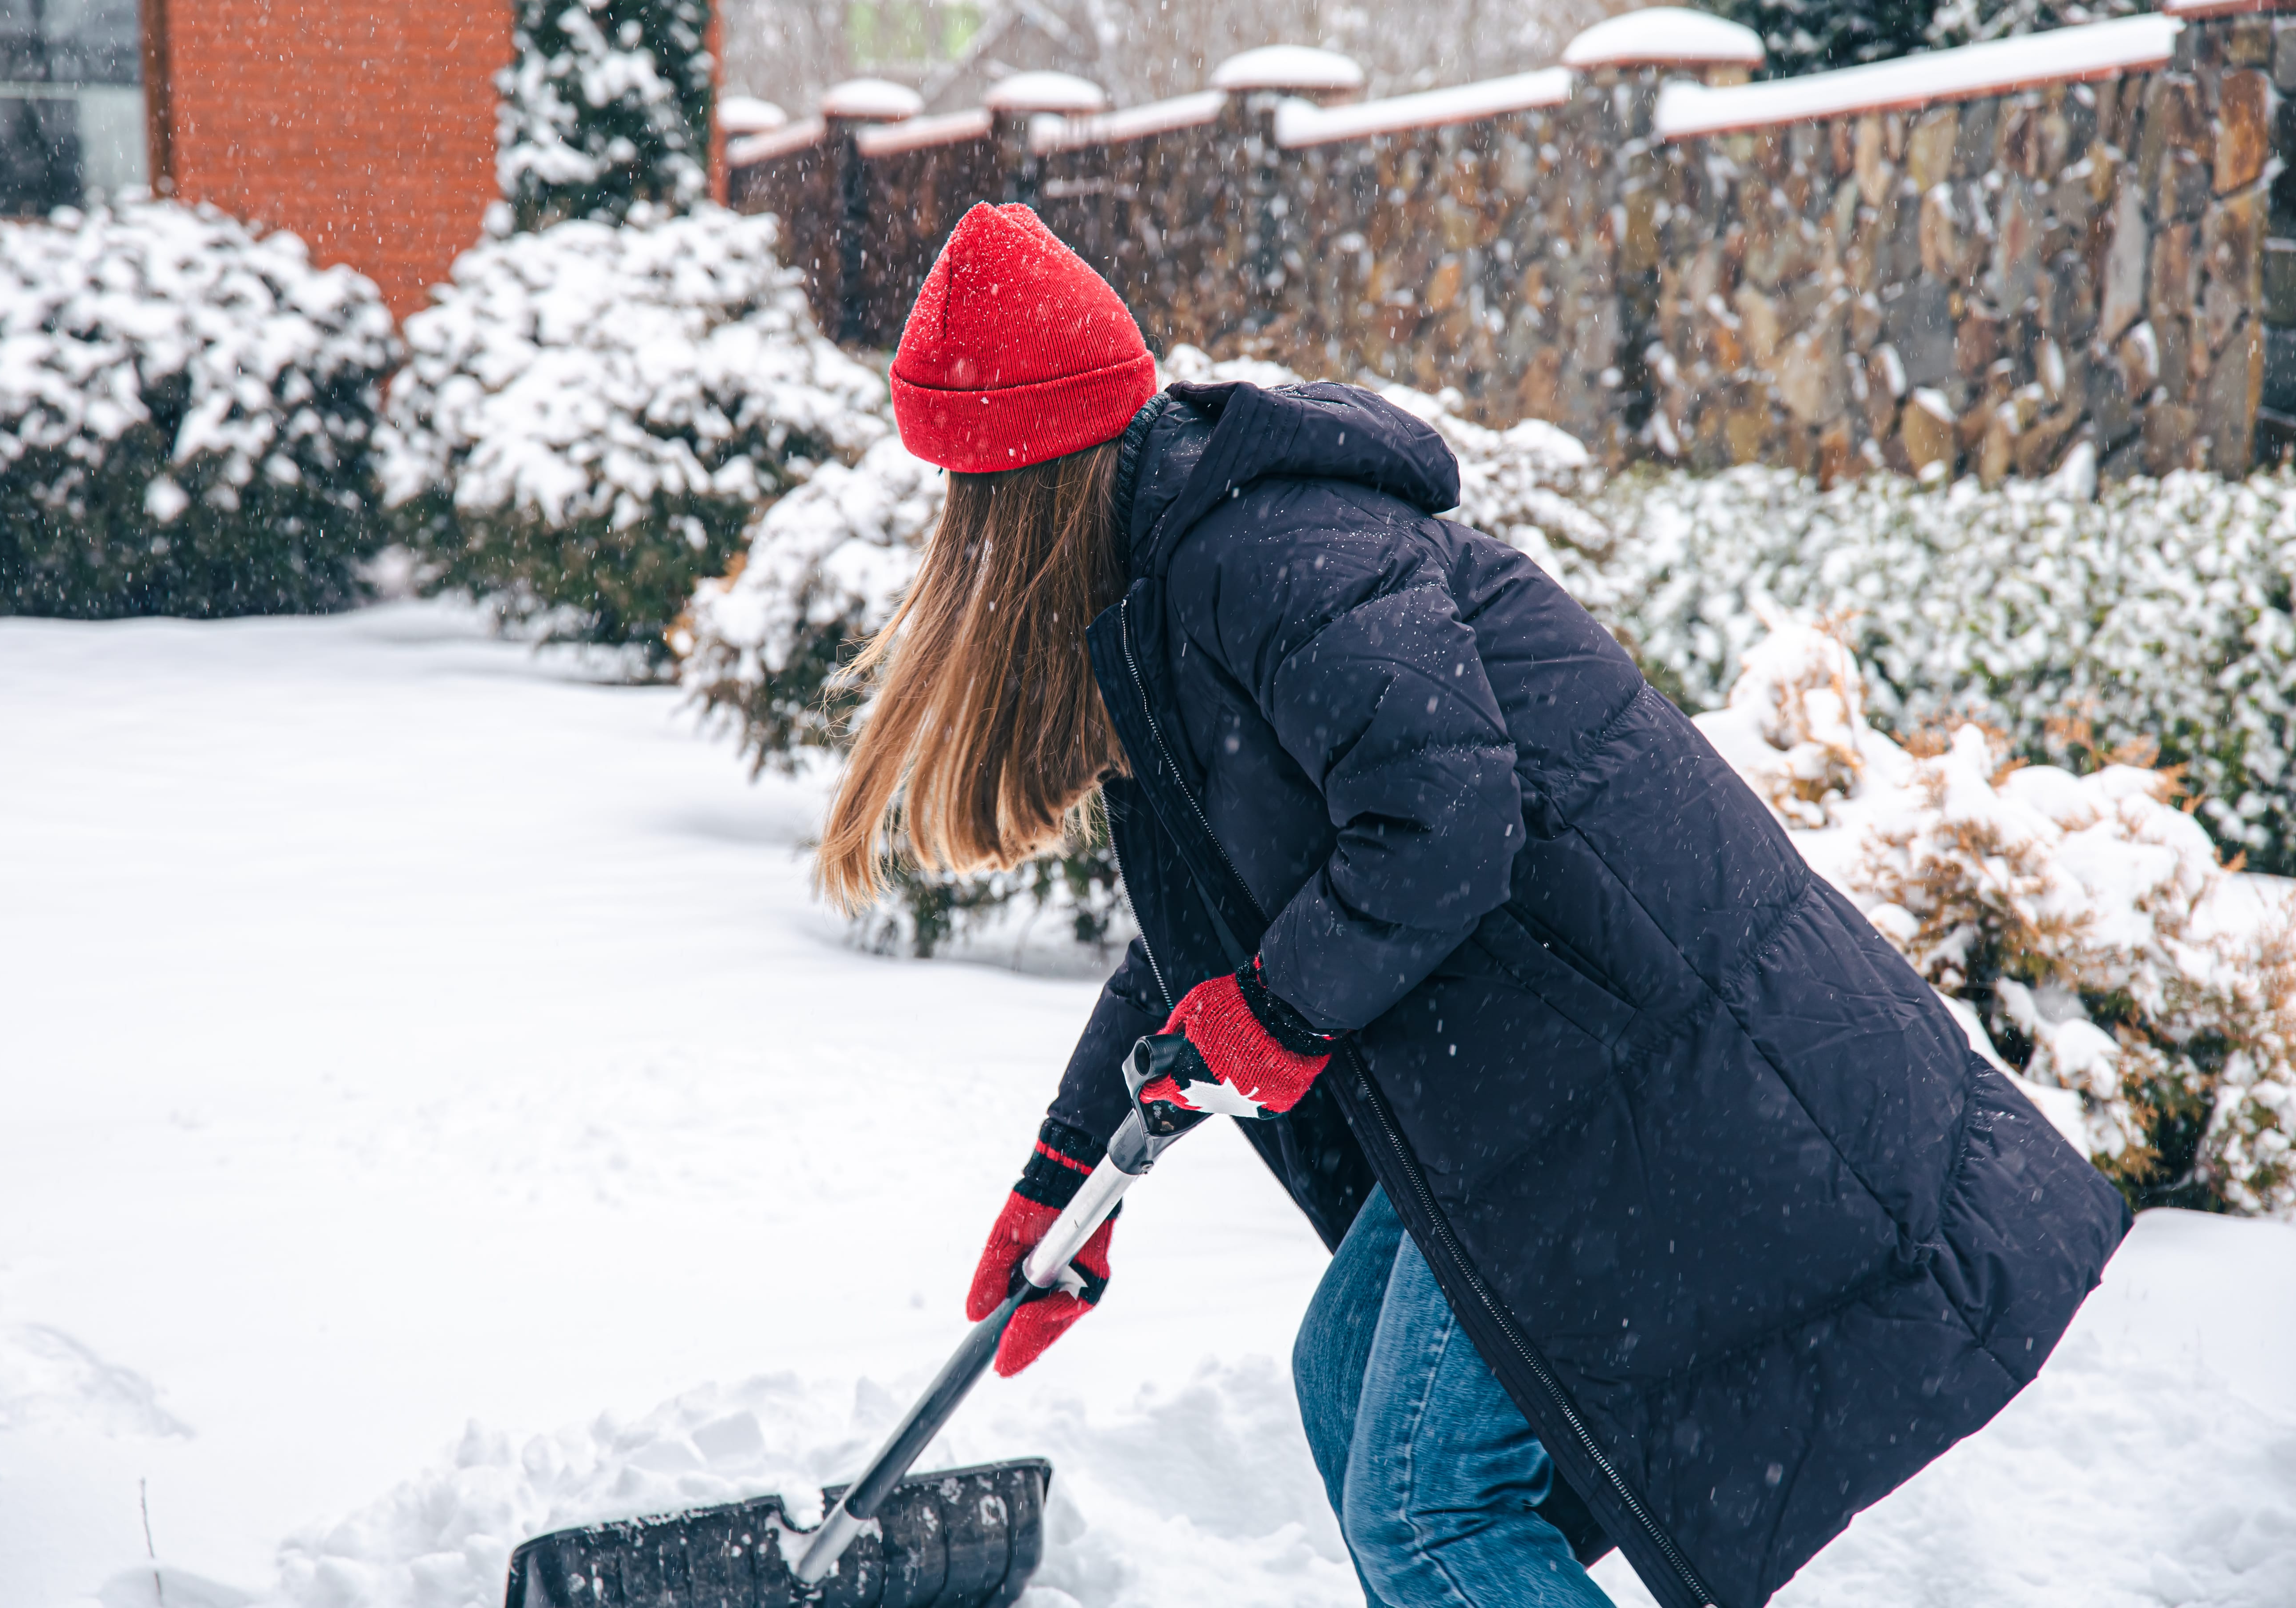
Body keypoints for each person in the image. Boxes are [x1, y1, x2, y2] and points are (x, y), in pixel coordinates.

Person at [817, 201, 2131, 1608]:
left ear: (1015, 492)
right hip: (1539, 1070)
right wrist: (1065, 1170)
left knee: (1428, 1503)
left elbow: (1446, 819)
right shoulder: (1181, 574)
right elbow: (1214, 925)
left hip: (1634, 1065)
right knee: (1353, 1395)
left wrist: (1279, 1015)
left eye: (961, 503)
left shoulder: (1265, 556)